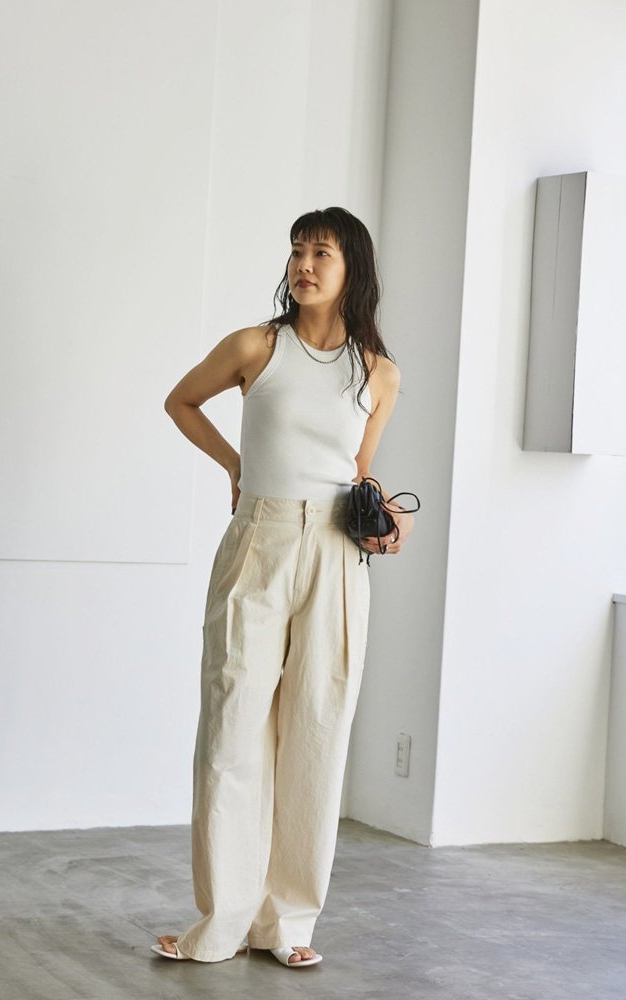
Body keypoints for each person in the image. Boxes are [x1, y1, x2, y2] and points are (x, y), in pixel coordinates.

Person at [151, 206, 414, 968]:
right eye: (297, 250)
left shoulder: (379, 373)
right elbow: (181, 401)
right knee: (231, 729)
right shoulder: (256, 347)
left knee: (316, 734)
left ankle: (288, 923)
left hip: (336, 552)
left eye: (320, 252)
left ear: (351, 268)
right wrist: (235, 465)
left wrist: (385, 517)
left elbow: (358, 470)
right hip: (260, 540)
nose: (303, 263)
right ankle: (223, 921)